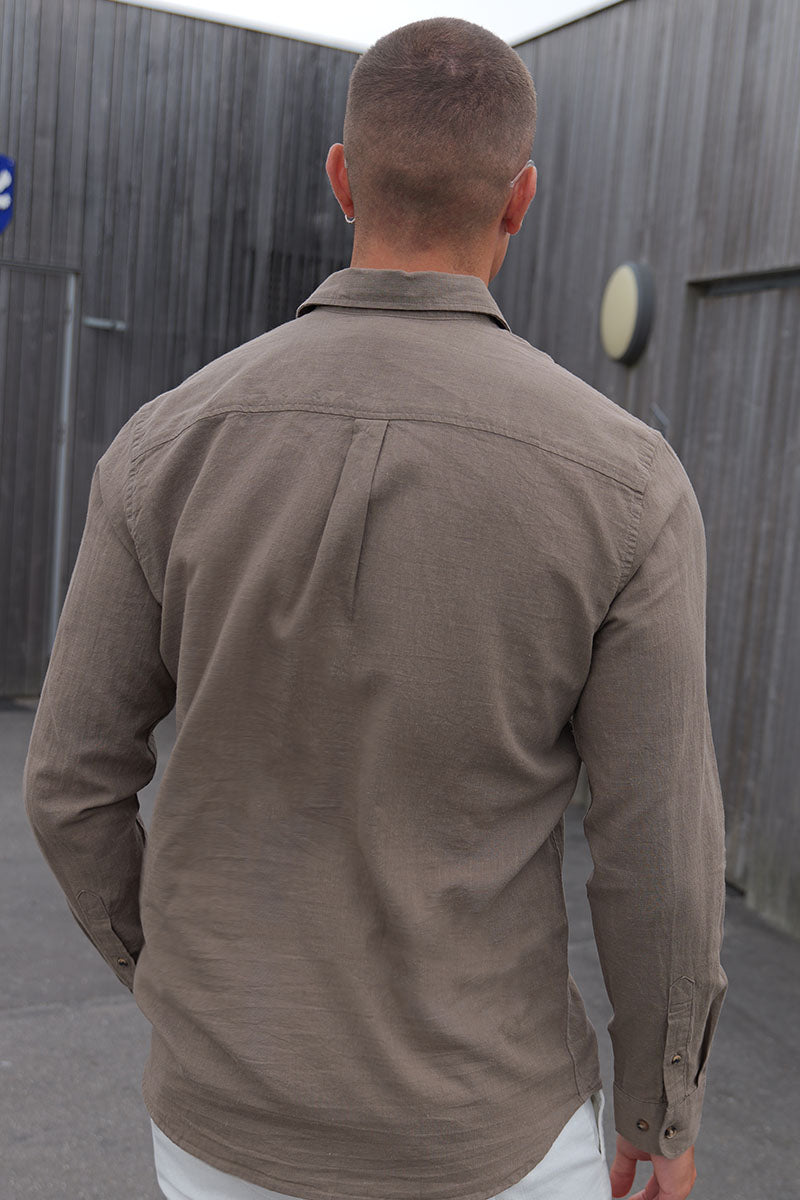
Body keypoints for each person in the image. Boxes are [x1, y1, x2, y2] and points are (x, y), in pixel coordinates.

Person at [23, 17, 727, 1200]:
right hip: (491, 1134)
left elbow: (67, 784)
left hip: (219, 1132)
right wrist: (659, 1112)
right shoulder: (624, 483)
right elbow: (656, 849)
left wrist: (178, 987)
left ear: (342, 177)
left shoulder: (165, 443)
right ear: (520, 198)